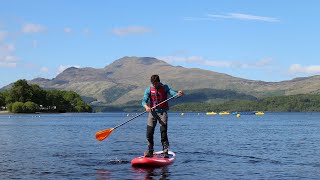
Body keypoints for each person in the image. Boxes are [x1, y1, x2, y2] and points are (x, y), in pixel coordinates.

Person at [141, 75, 183, 158]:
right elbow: (143, 101)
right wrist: (146, 107)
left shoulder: (165, 87)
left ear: (159, 82)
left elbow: (173, 94)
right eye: (153, 83)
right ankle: (150, 151)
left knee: (163, 133)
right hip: (152, 113)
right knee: (149, 133)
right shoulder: (149, 89)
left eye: (156, 83)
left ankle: (165, 151)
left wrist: (178, 94)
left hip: (162, 113)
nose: (155, 85)